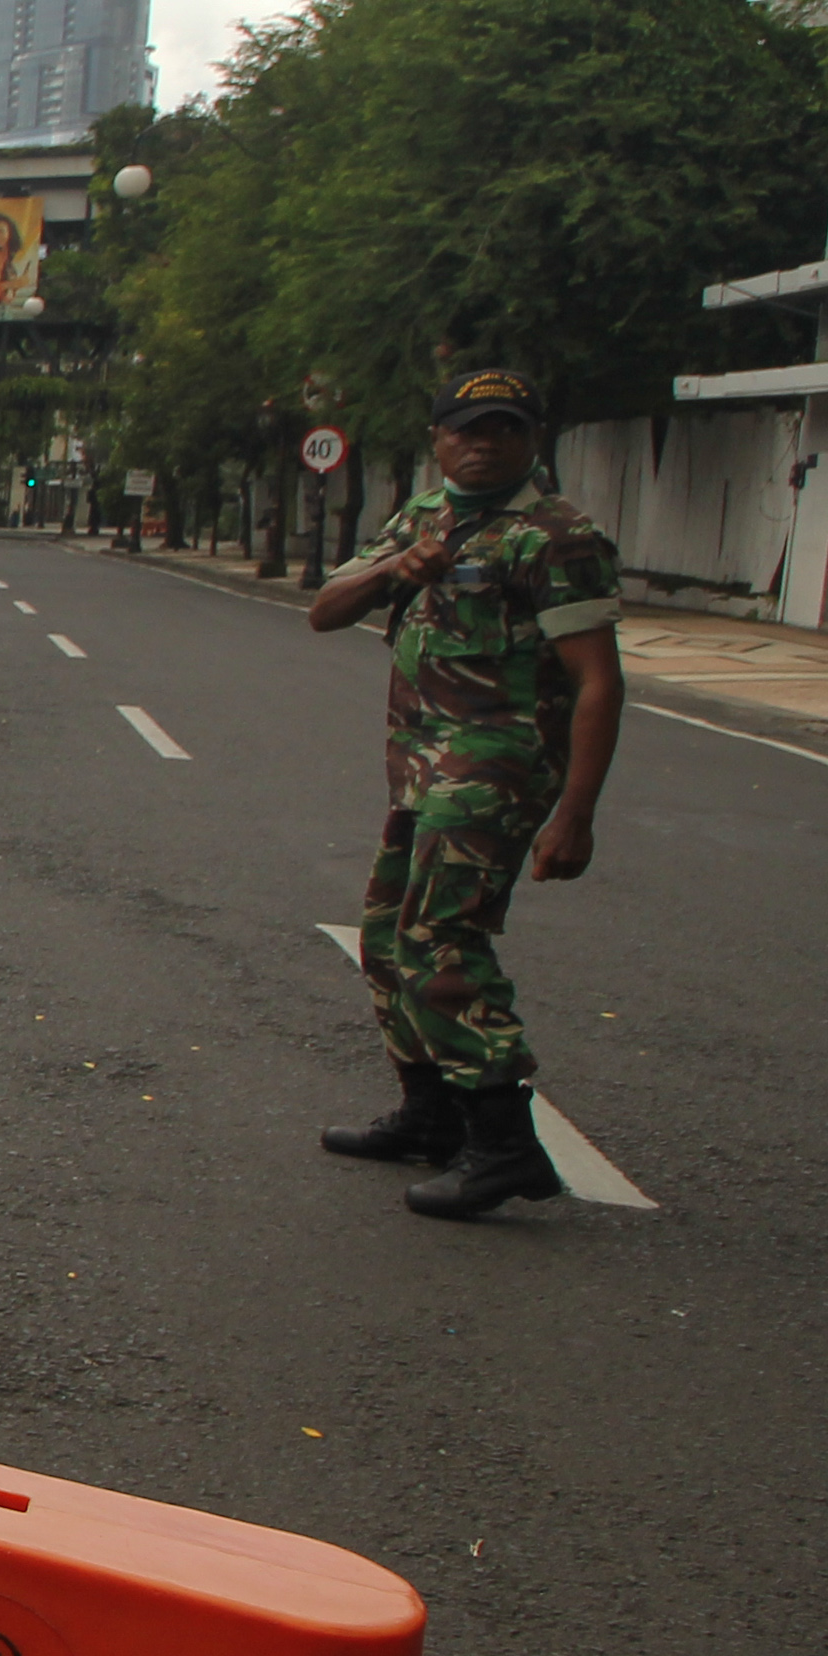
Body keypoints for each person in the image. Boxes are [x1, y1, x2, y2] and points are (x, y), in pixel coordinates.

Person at [306, 368, 624, 1218]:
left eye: (504, 428)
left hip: (495, 772)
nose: (483, 443)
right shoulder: (421, 516)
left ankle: (506, 1144)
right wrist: (392, 570)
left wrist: (576, 815)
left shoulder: (557, 535)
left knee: (440, 945)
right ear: (438, 437)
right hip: (420, 770)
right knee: (382, 939)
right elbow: (325, 610)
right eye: (466, 429)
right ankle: (430, 1114)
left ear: (531, 438)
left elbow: (599, 681)